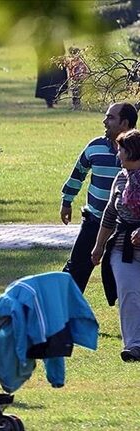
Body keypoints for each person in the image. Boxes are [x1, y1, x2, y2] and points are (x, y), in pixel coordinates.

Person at [60, 102, 138, 293]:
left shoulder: (137, 150)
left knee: (126, 279)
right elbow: (78, 173)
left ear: (124, 123)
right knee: (76, 271)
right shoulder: (95, 147)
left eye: (110, 117)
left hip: (127, 227)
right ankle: (62, 314)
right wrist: (66, 201)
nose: (104, 121)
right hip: (95, 221)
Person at [91, 129, 140, 362]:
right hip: (123, 249)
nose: (117, 154)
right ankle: (134, 346)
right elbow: (110, 213)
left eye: (120, 149)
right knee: (129, 294)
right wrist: (99, 246)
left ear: (132, 151)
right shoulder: (120, 178)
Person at [35, 44, 67, 108]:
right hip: (49, 62)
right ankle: (51, 100)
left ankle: (52, 99)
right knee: (51, 81)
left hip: (50, 62)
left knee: (53, 81)